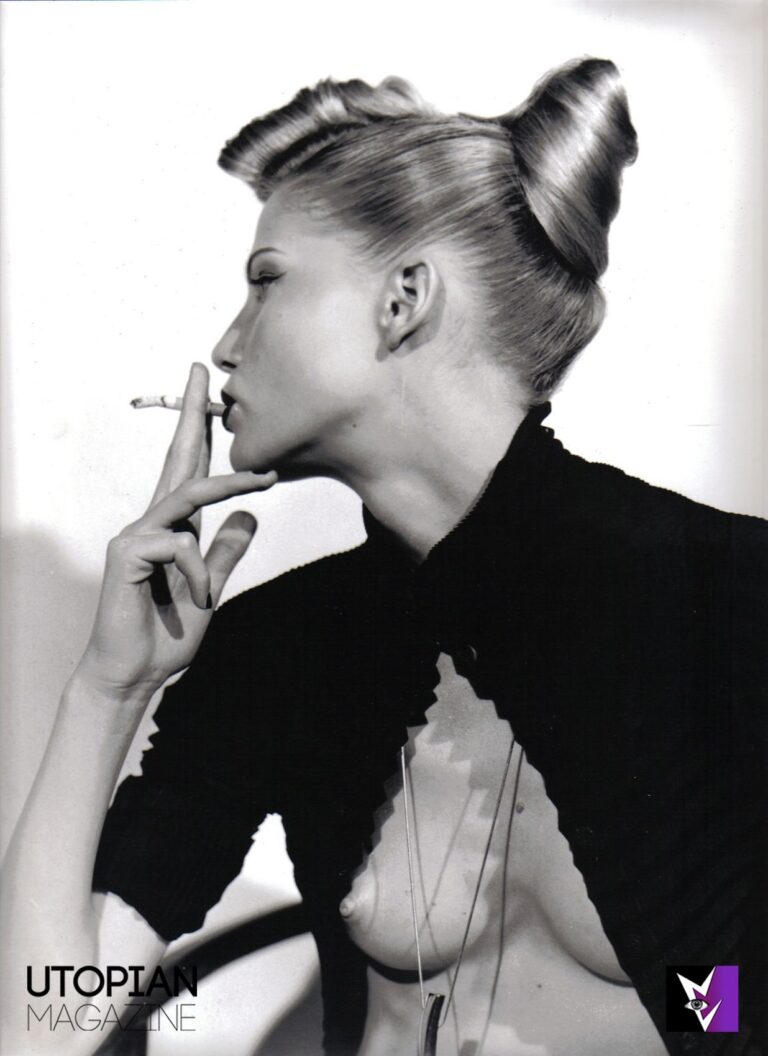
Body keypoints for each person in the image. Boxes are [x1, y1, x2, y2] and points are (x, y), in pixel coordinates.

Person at [1, 59, 765, 1056]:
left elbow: (735, 1007)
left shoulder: (725, 600)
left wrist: (695, 994)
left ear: (404, 298)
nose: (226, 346)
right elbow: (45, 1028)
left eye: (266, 281)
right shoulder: (284, 645)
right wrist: (111, 688)